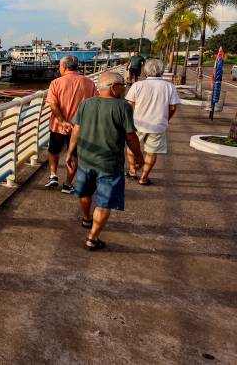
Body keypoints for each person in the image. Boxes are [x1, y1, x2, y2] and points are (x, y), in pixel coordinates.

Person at [66, 72, 144, 251]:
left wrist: (70, 152)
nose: (126, 88)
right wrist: (139, 156)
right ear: (114, 87)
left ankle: (86, 219)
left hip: (86, 159)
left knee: (85, 192)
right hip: (110, 165)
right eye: (123, 84)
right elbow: (130, 136)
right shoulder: (122, 107)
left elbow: (76, 130)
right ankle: (92, 239)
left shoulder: (86, 103)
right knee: (104, 202)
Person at [45, 55, 97, 193]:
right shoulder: (88, 82)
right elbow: (94, 104)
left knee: (53, 151)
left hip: (58, 125)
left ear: (64, 67)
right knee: (74, 155)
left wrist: (62, 121)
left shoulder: (56, 83)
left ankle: (53, 176)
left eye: (59, 66)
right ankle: (67, 184)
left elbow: (53, 104)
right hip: (79, 127)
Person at [125, 58, 180, 185]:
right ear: (162, 70)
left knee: (131, 147)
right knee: (152, 152)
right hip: (158, 125)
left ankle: (132, 170)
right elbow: (172, 108)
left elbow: (130, 105)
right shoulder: (169, 87)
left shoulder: (137, 85)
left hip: (137, 124)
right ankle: (143, 178)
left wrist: (133, 118)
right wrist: (165, 119)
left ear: (145, 70)